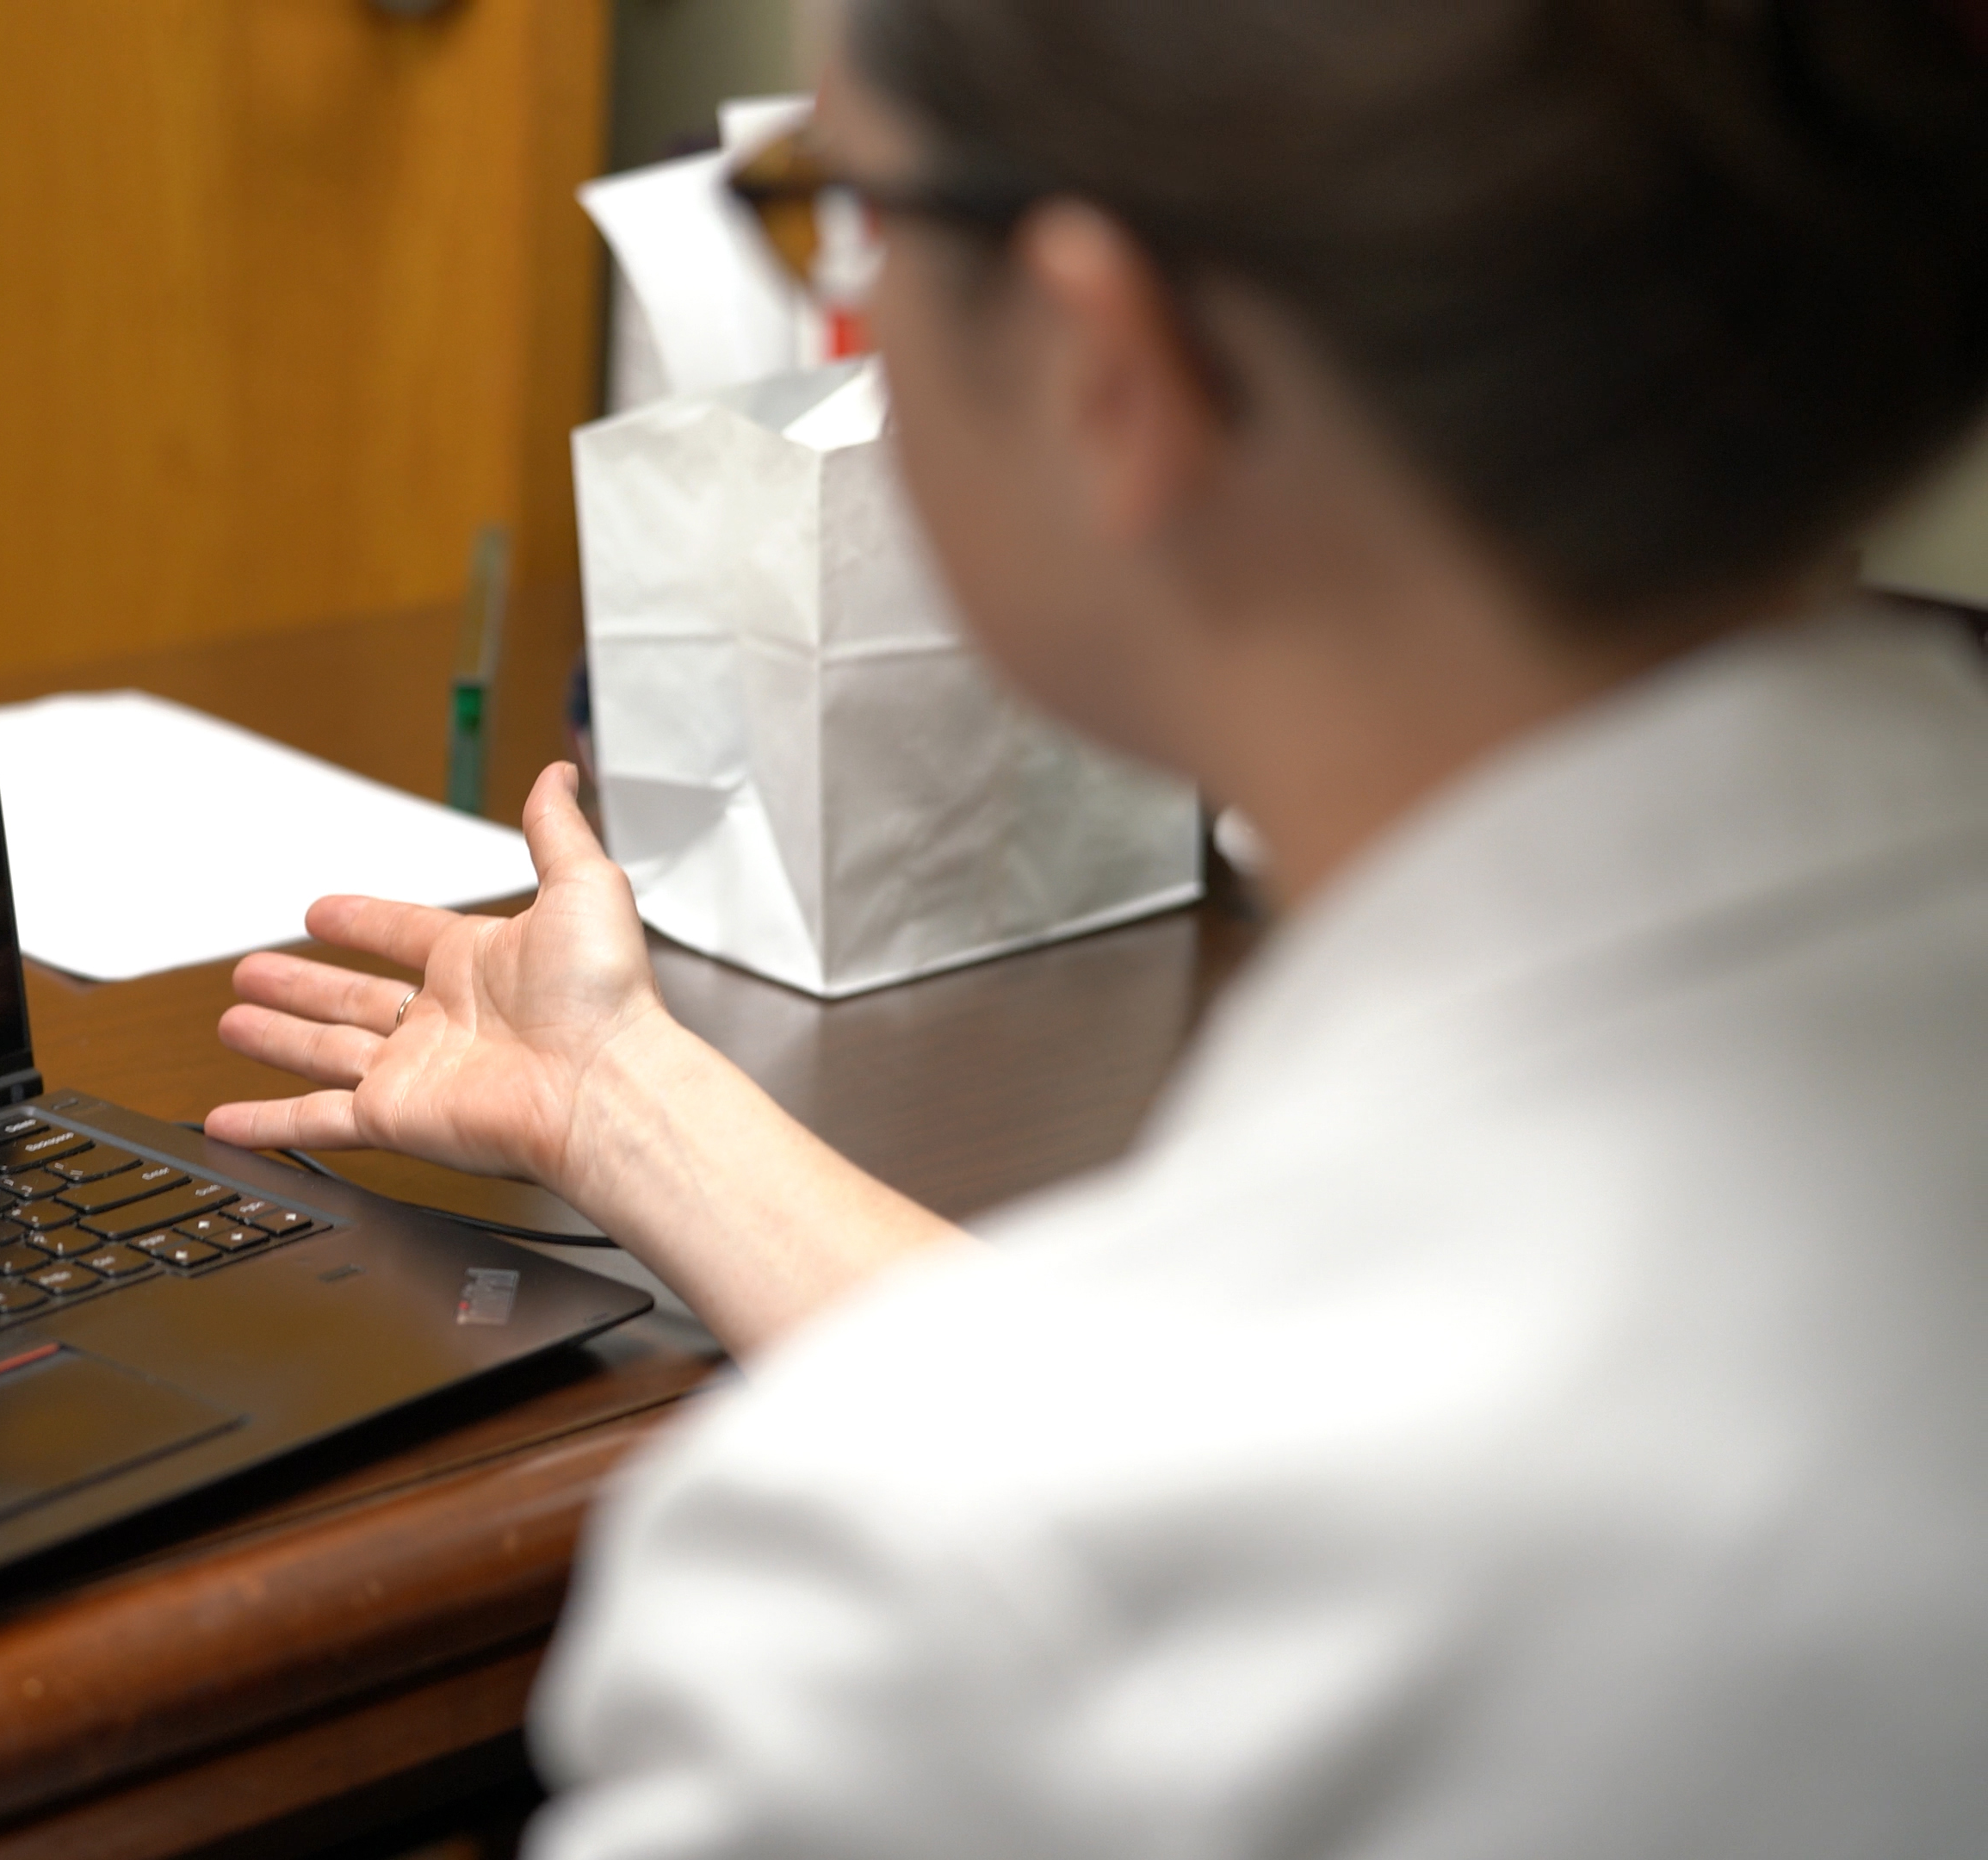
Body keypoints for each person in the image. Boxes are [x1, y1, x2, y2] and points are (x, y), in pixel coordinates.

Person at [207, 0, 1988, 1851]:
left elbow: (1129, 1494)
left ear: (1100, 361)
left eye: (843, 210)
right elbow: (1276, 1407)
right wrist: (619, 1099)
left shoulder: (930, 1623)